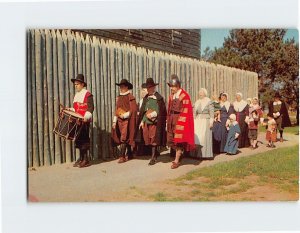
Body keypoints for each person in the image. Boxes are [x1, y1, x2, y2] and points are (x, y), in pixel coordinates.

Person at [135, 78, 167, 165]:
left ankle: (153, 158)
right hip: (146, 122)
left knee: (153, 139)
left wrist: (153, 114)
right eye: (147, 88)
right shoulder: (146, 98)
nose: (149, 89)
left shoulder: (158, 98)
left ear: (154, 88)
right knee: (147, 138)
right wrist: (142, 121)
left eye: (150, 88)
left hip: (155, 122)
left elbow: (161, 110)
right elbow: (143, 111)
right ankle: (155, 153)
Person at [166, 74, 195, 169]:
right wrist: (168, 120)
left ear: (177, 86)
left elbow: (186, 110)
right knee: (171, 140)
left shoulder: (184, 95)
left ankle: (176, 160)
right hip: (171, 119)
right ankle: (179, 154)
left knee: (178, 141)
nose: (171, 88)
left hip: (179, 120)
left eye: (172, 86)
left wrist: (180, 123)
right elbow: (169, 109)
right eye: (171, 86)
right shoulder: (172, 96)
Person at [69, 74, 94, 168]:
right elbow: (76, 108)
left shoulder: (88, 94)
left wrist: (86, 117)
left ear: (83, 84)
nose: (76, 86)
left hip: (84, 121)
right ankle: (81, 158)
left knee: (84, 139)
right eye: (75, 84)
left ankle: (86, 159)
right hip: (77, 121)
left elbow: (91, 108)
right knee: (78, 139)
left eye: (77, 84)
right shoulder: (76, 95)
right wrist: (69, 110)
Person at [111, 79, 138, 163]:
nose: (121, 88)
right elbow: (117, 109)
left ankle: (122, 156)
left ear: (127, 87)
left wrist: (125, 115)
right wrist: (114, 121)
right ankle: (129, 153)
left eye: (123, 86)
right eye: (120, 86)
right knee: (122, 136)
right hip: (119, 120)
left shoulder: (131, 97)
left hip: (127, 120)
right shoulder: (119, 97)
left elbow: (133, 109)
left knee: (124, 137)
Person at [193, 88, 214, 159]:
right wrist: (193, 121)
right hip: (198, 121)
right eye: (199, 92)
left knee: (204, 137)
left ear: (205, 93)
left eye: (202, 92)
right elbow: (194, 113)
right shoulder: (197, 102)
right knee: (197, 137)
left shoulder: (209, 101)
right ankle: (196, 154)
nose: (200, 94)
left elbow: (211, 113)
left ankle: (205, 154)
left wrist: (211, 122)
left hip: (206, 121)